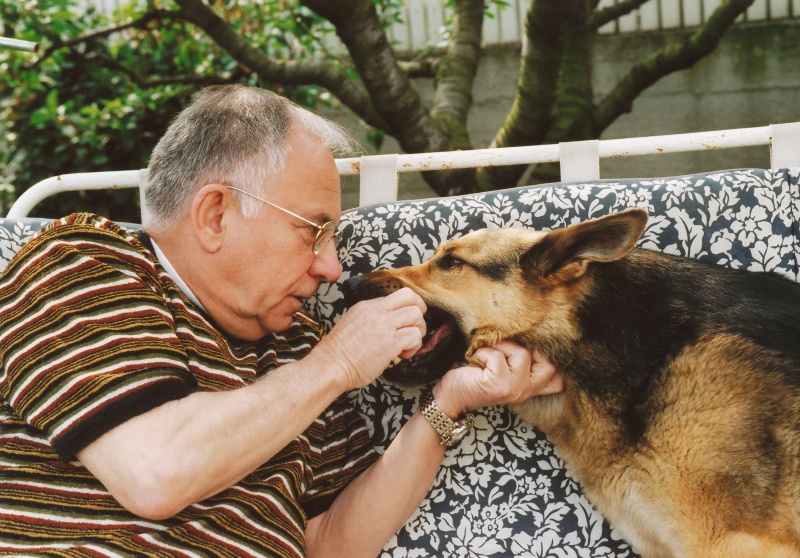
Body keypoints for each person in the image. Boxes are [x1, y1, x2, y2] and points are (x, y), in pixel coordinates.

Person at [0, 84, 563, 557]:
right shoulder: (82, 262)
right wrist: (339, 363)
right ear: (215, 215)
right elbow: (157, 472)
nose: (332, 266)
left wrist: (447, 404)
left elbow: (331, 542)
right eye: (312, 230)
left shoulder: (298, 348)